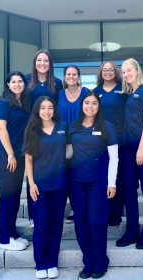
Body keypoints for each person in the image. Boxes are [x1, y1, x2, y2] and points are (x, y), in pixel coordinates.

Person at [67, 91, 119, 279]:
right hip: (77, 182)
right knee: (80, 222)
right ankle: (88, 263)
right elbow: (68, 154)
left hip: (99, 181)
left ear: (99, 106)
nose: (90, 106)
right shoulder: (72, 127)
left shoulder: (107, 126)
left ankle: (100, 263)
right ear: (82, 105)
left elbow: (114, 158)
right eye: (87, 103)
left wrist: (111, 183)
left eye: (94, 103)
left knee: (96, 221)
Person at [23, 96, 69, 279]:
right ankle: (40, 264)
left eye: (50, 107)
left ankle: (52, 262)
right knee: (41, 226)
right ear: (37, 110)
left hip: (60, 184)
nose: (47, 111)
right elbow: (28, 159)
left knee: (56, 225)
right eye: (43, 108)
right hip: (39, 185)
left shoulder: (63, 128)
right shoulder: (32, 130)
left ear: (54, 110)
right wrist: (31, 183)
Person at [116, 58, 143, 250]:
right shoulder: (130, 93)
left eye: (128, 70)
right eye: (123, 72)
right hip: (128, 148)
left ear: (136, 69)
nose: (126, 74)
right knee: (128, 190)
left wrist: (141, 148)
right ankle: (132, 232)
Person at [0, 71, 31, 251]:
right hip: (4, 157)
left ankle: (12, 233)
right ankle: (5, 239)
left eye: (20, 81)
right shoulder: (3, 102)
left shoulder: (25, 103)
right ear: (8, 84)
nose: (17, 84)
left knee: (14, 197)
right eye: (13, 81)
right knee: (7, 197)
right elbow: (1, 129)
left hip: (19, 157)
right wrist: (10, 154)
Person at [24, 50, 63, 227]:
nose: (42, 63)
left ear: (50, 64)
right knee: (31, 167)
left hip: (50, 129)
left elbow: (59, 106)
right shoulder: (26, 80)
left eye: (46, 60)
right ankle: (33, 216)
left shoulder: (56, 82)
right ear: (34, 62)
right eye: (39, 60)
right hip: (31, 129)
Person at [93, 61, 128, 226]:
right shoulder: (96, 91)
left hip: (119, 139)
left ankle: (116, 214)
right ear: (101, 73)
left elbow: (135, 108)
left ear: (116, 72)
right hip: (100, 140)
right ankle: (103, 213)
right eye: (104, 70)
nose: (108, 72)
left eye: (111, 70)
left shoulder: (124, 89)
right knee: (102, 176)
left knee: (118, 177)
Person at [57, 65, 90, 223]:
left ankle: (79, 209)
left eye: (74, 74)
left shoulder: (86, 92)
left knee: (79, 174)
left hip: (81, 138)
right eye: (68, 74)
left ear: (78, 77)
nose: (71, 77)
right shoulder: (59, 94)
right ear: (65, 77)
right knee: (67, 175)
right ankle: (70, 207)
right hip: (63, 139)